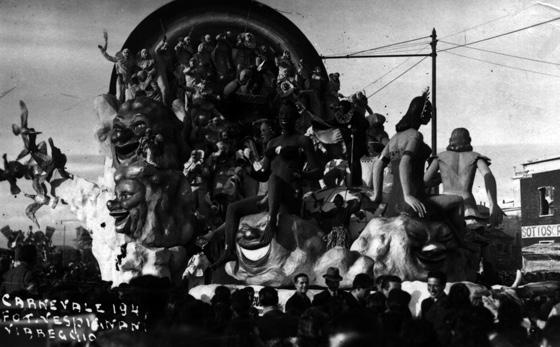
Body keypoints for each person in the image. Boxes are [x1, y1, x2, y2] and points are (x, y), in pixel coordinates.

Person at [210, 101, 321, 268]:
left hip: (291, 195)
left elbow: (318, 172)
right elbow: (263, 176)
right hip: (272, 195)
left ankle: (271, 223)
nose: (284, 117)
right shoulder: (272, 143)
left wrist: (302, 175)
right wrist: (248, 169)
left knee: (275, 179)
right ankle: (229, 250)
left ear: (295, 118)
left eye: (288, 114)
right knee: (233, 208)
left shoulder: (302, 140)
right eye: (282, 114)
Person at [371, 90, 467, 246]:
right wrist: (408, 195)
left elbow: (378, 165)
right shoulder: (415, 136)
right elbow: (405, 162)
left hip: (392, 204)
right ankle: (461, 246)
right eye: (429, 112)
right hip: (413, 201)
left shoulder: (394, 139)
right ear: (421, 114)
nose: (430, 116)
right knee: (458, 201)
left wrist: (376, 195)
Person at [424, 127, 503, 227]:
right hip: (468, 208)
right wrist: (493, 204)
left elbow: (424, 182)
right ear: (468, 140)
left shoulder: (440, 157)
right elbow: (488, 176)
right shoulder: (475, 156)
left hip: (445, 206)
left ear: (451, 140)